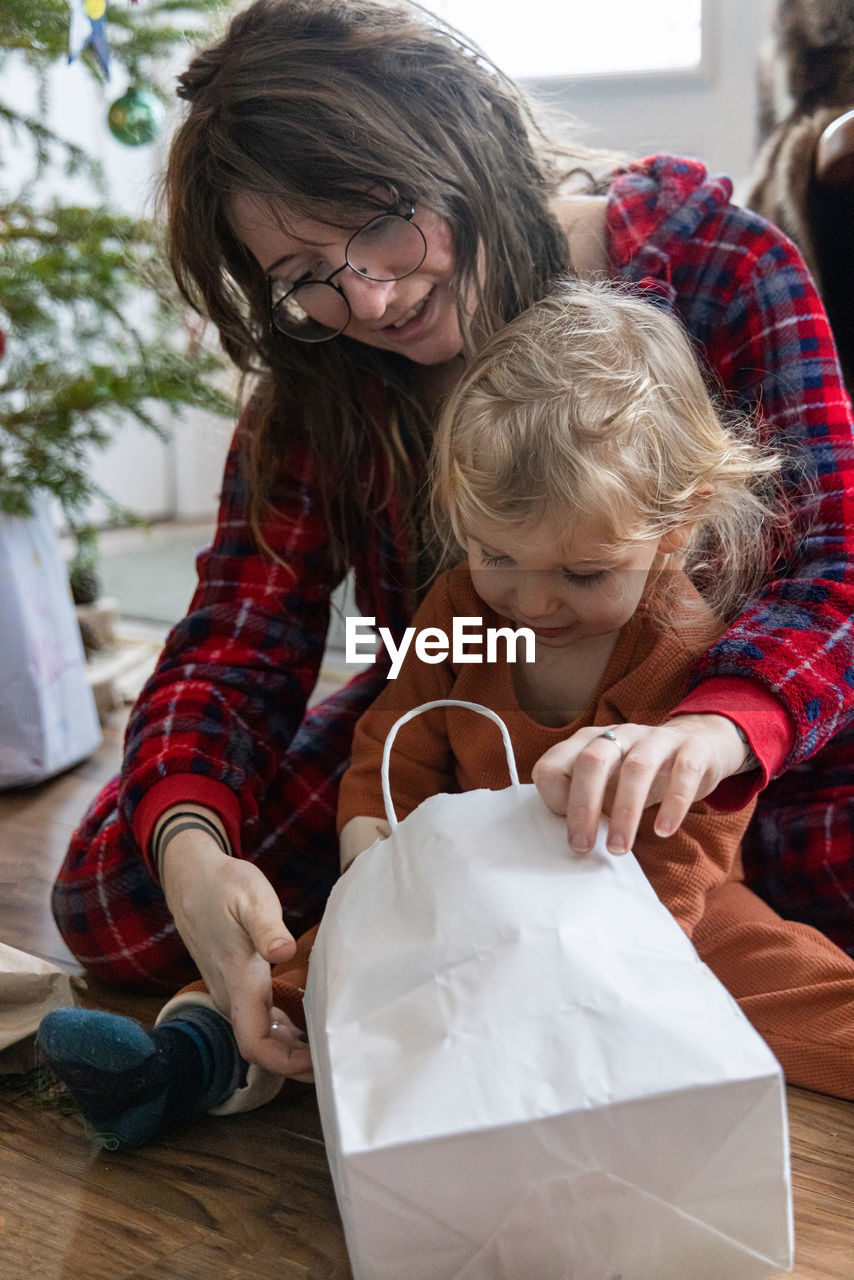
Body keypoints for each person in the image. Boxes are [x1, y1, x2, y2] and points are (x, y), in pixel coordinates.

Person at [46, 0, 854, 1091]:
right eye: (304, 273)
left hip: (716, 742)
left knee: (807, 865)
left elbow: (831, 575)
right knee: (121, 897)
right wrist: (196, 850)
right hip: (466, 733)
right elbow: (236, 638)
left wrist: (715, 734)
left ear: (462, 143)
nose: (369, 295)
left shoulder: (718, 264)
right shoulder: (320, 380)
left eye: (380, 224)